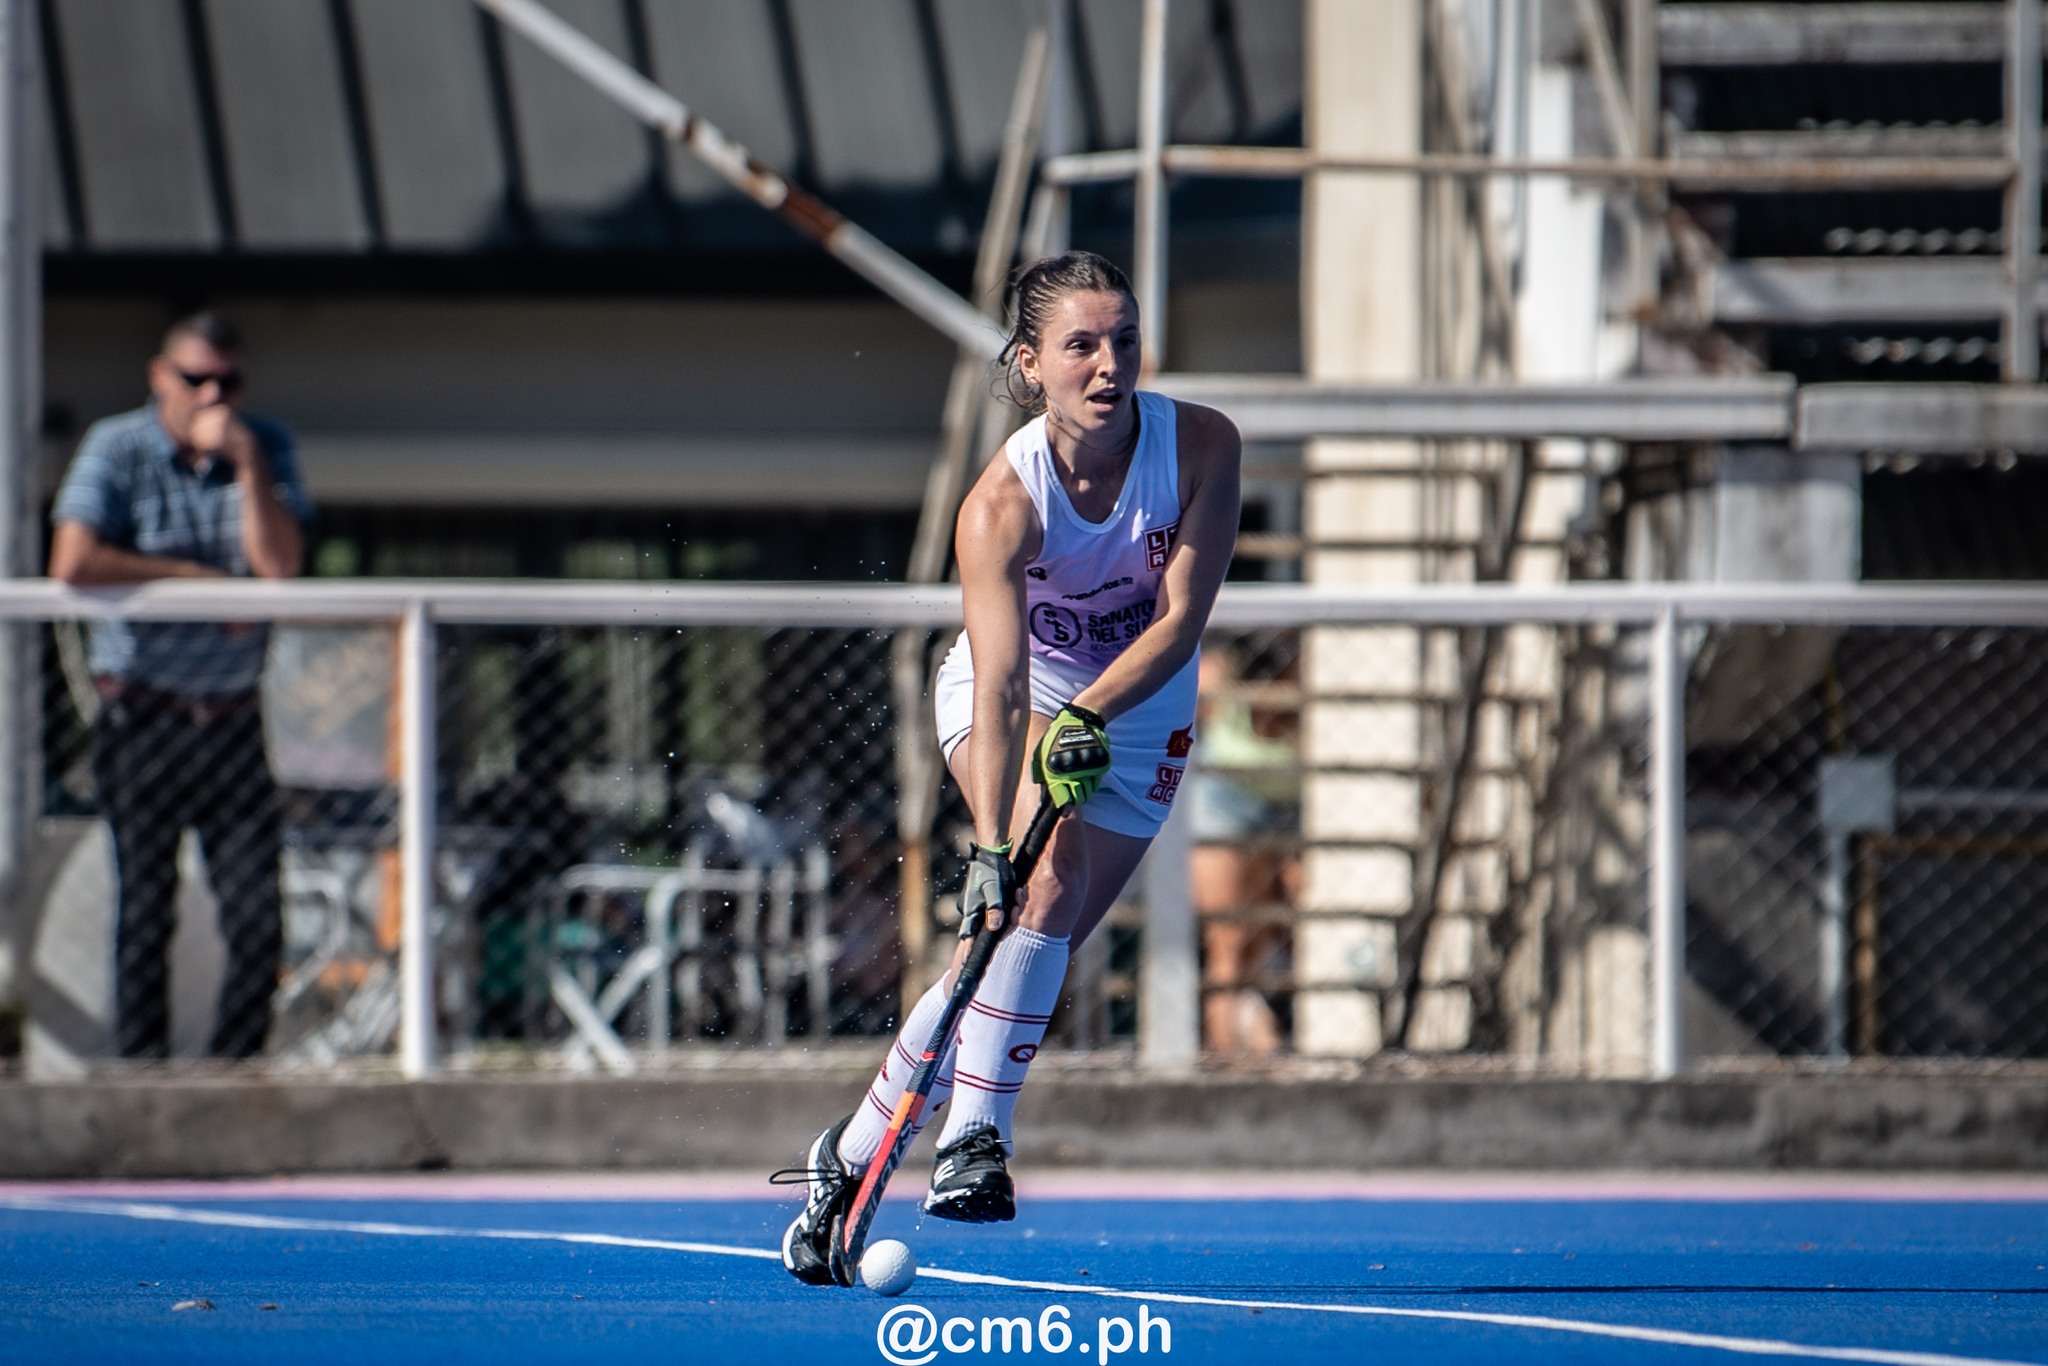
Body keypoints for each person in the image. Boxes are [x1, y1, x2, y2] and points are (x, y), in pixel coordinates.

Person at [781, 251, 1241, 1283]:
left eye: (1122, 339)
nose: (1107, 363)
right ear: (1029, 363)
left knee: (1021, 946)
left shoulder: (1202, 446)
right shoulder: (999, 504)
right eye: (1080, 344)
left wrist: (1090, 714)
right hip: (1017, 694)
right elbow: (994, 686)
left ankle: (846, 1153)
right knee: (1034, 882)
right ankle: (971, 1141)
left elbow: (1179, 622)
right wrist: (990, 841)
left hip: (1137, 704)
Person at [48, 310, 313, 1060]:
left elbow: (281, 566)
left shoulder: (264, 446)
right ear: (160, 376)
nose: (210, 397)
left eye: (226, 382)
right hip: (143, 713)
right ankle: (143, 1078)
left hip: (230, 718)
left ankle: (231, 1078)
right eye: (195, 379)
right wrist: (191, 581)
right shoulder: (118, 447)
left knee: (258, 917)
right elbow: (73, 560)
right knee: (145, 913)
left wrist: (250, 465)